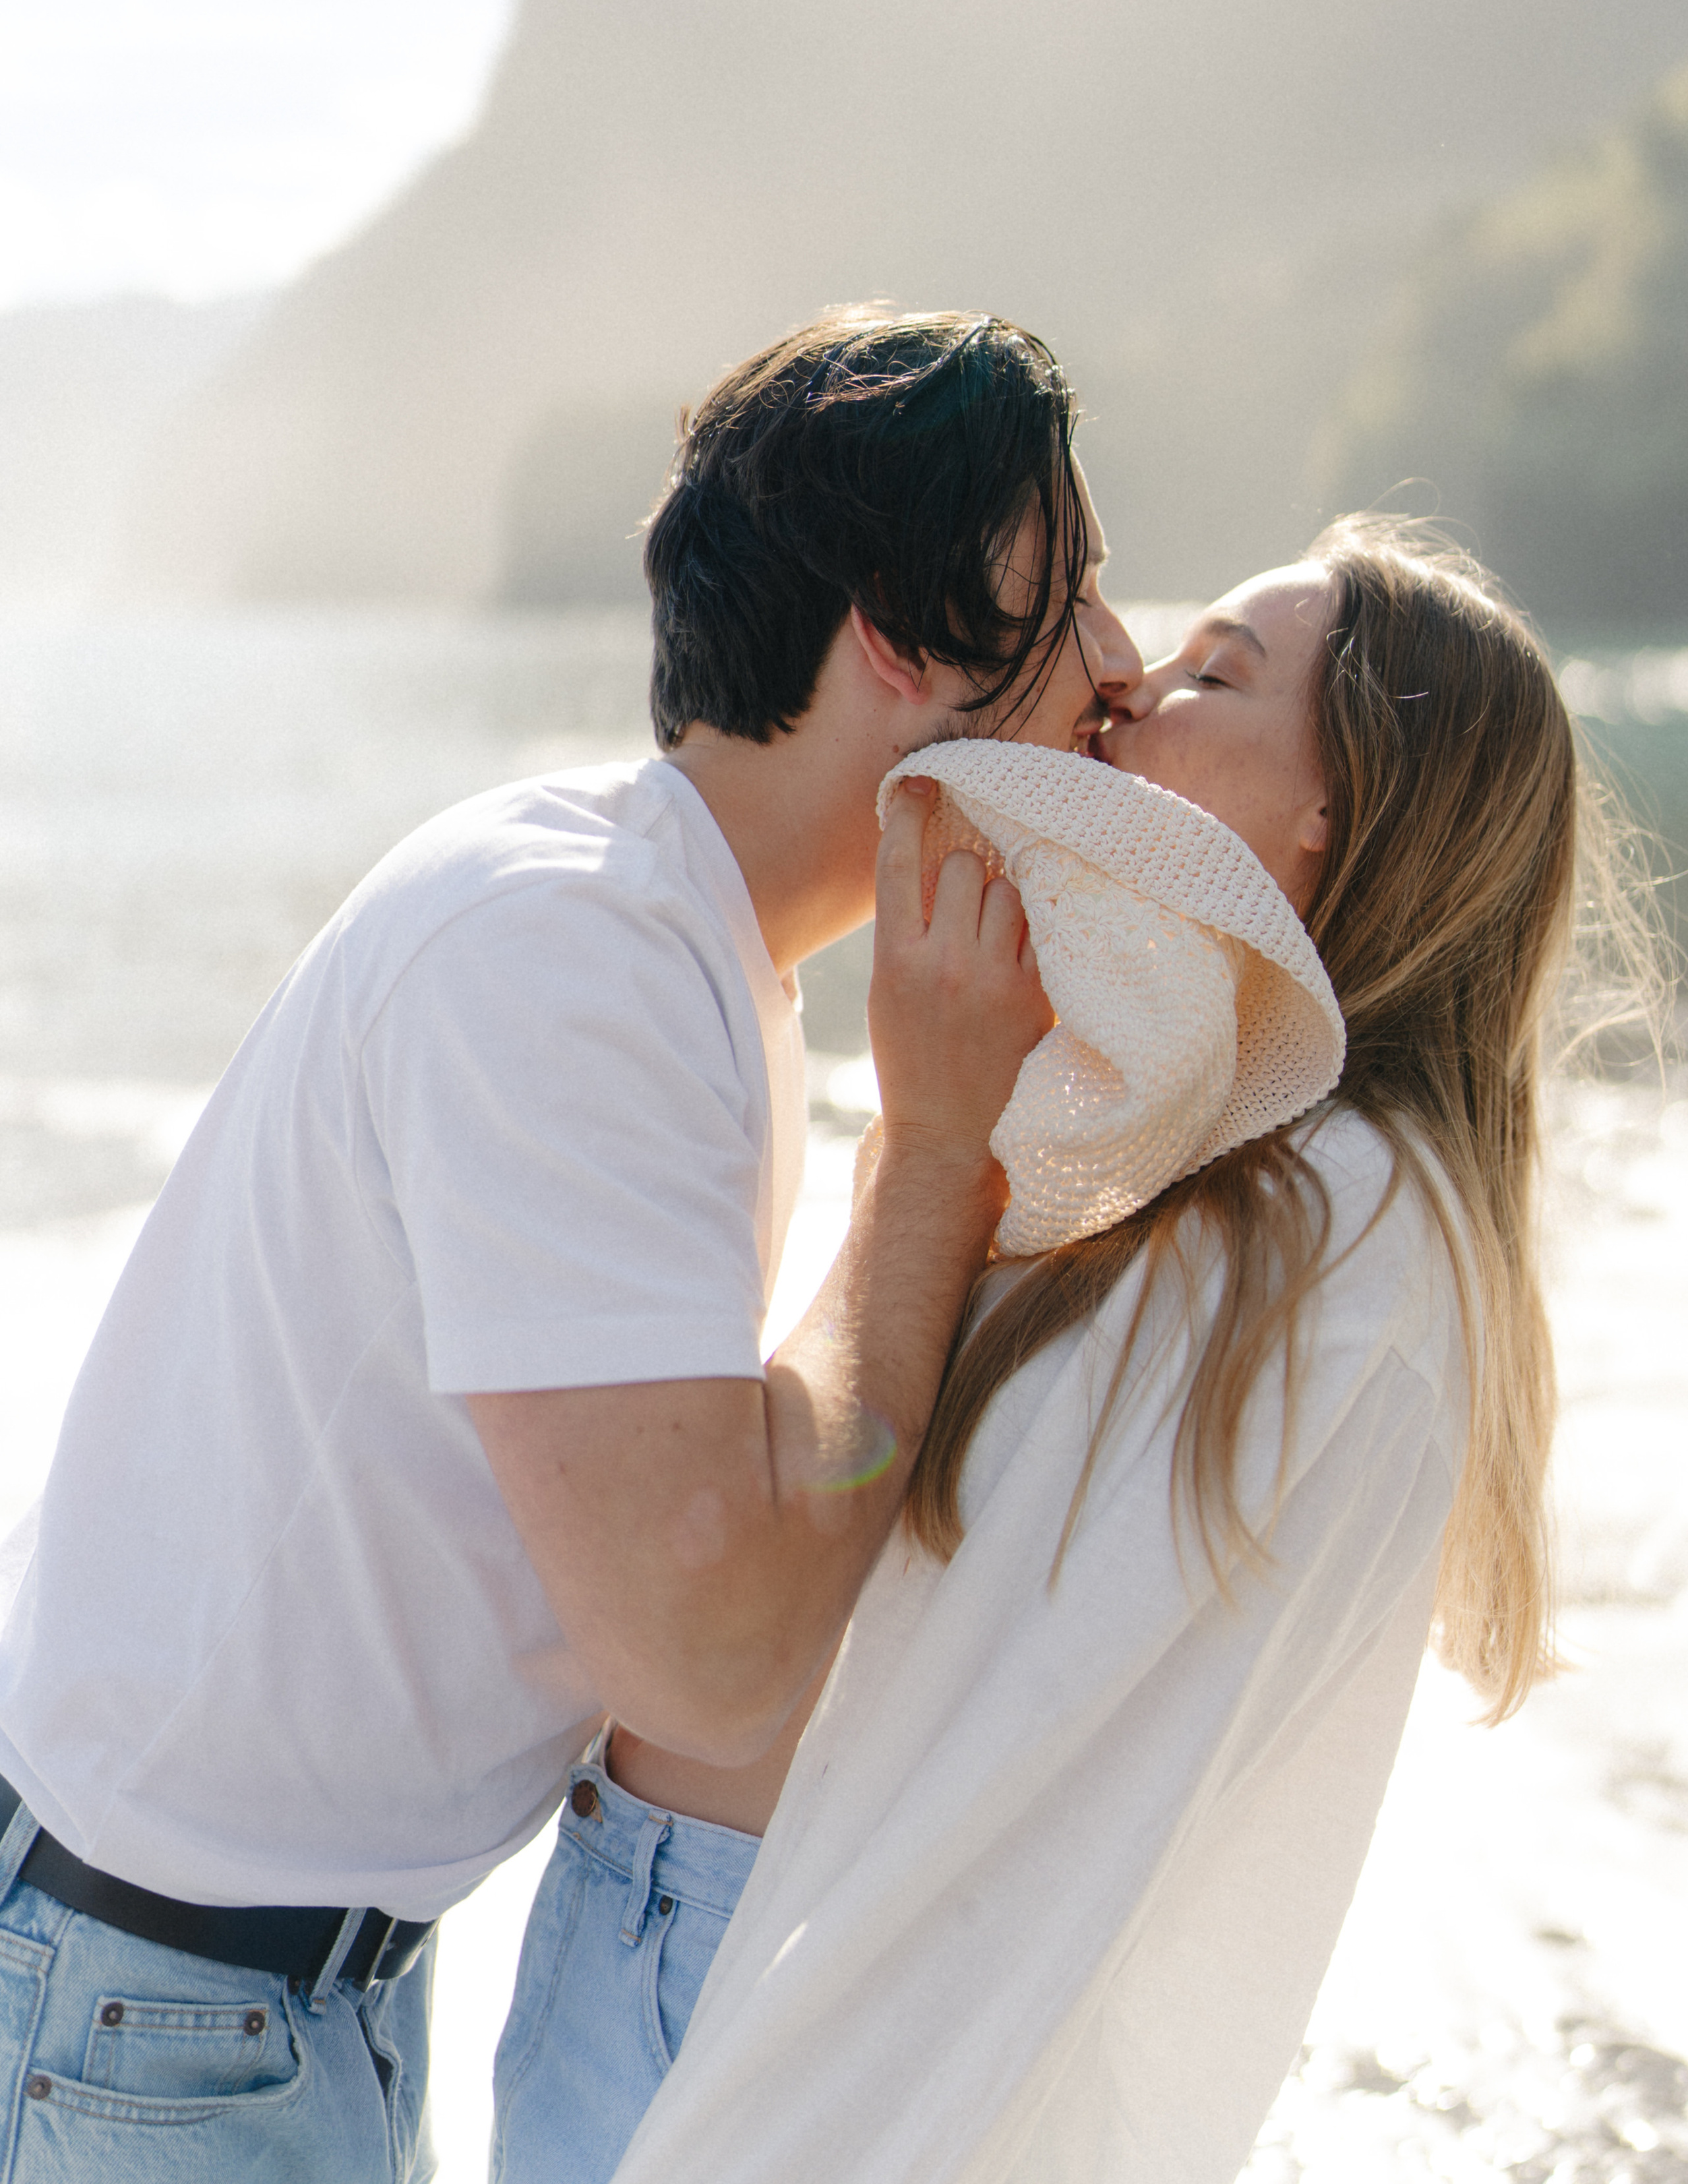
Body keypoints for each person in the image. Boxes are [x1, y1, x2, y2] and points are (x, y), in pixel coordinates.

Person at [0, 307, 1143, 2182]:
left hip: (240, 1980)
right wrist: (933, 1155)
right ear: (897, 635)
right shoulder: (572, 968)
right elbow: (708, 1660)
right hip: (157, 2008)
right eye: (1072, 586)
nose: (1118, 656)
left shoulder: (675, 950)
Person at [510, 516, 1654, 2184]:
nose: (1127, 689)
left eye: (1216, 674)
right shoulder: (1192, 1142)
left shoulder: (1332, 1235)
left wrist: (932, 1132)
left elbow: (1035, 1777)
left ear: (1337, 807)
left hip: (758, 1984)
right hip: (683, 1925)